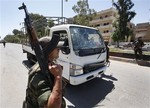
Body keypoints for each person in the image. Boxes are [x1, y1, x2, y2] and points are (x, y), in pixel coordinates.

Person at [23, 36, 66, 108]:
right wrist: (58, 77)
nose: (59, 49)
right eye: (56, 47)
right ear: (48, 50)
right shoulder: (39, 74)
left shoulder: (49, 64)